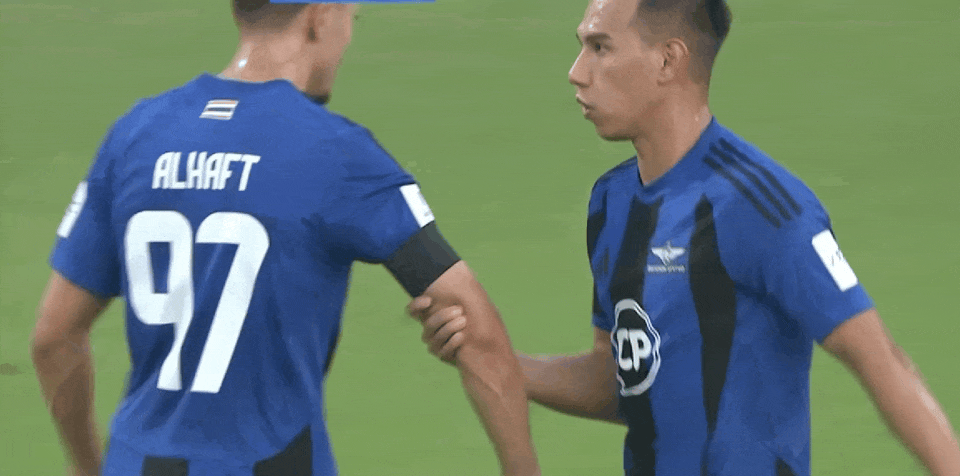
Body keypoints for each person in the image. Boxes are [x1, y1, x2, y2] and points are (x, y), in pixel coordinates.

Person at [408, 0, 960, 474]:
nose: (576, 73)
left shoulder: (761, 205)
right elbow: (624, 380)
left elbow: (881, 361)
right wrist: (491, 356)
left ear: (668, 60)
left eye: (600, 48)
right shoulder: (611, 202)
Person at [31, 1, 540, 475]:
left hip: (135, 461)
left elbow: (53, 338)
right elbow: (475, 328)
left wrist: (89, 467)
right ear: (320, 17)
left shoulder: (134, 135)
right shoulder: (338, 152)